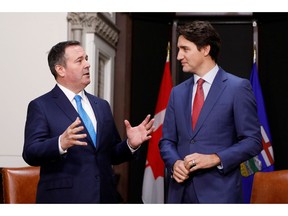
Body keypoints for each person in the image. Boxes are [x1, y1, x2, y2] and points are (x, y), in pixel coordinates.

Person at [22, 40, 154, 203]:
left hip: (104, 197)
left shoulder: (102, 106)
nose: (88, 64)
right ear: (60, 69)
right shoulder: (41, 106)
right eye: (80, 60)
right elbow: (30, 152)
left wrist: (130, 145)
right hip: (64, 200)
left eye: (86, 58)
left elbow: (111, 154)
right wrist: (60, 143)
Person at [159, 21, 263, 203]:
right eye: (178, 49)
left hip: (220, 195)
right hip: (179, 194)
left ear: (205, 49)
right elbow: (167, 141)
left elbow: (253, 141)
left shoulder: (238, 88)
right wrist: (175, 163)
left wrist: (215, 158)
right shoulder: (177, 92)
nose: (178, 56)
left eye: (185, 49)